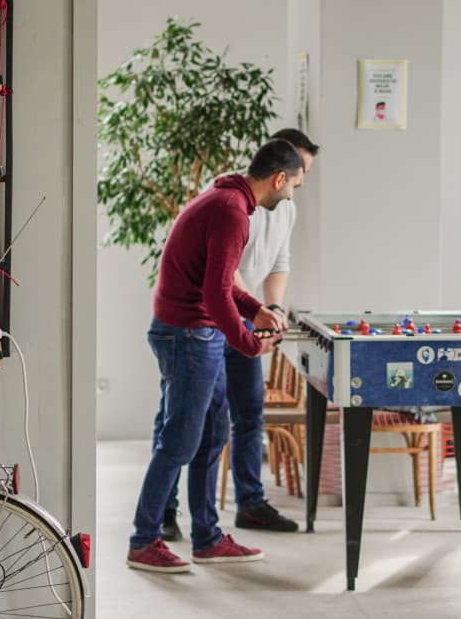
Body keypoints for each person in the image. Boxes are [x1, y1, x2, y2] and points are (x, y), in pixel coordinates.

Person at [127, 139, 305, 574]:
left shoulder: (227, 200)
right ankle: (143, 540)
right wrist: (249, 343)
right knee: (180, 442)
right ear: (278, 178)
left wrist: (255, 309)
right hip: (189, 336)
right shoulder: (231, 212)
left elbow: (221, 283)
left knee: (211, 436)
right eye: (295, 186)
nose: (292, 196)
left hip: (195, 333)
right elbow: (213, 293)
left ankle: (206, 537)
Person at [158, 129, 319, 541]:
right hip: (211, 321)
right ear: (280, 171)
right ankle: (162, 516)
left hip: (240, 316)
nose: (297, 189)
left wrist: (271, 310)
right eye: (298, 176)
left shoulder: (281, 207)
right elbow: (219, 278)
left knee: (240, 418)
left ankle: (241, 510)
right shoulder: (234, 202)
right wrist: (247, 326)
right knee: (184, 425)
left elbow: (279, 260)